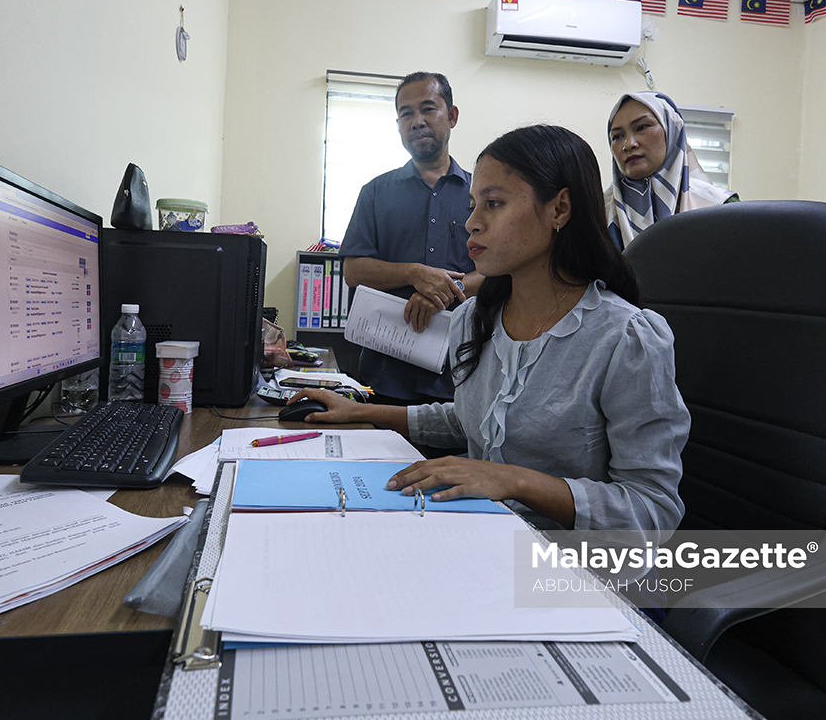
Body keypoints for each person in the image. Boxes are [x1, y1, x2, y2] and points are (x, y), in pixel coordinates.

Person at [293, 124, 690, 541]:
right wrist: (360, 410)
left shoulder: (626, 339)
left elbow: (652, 509)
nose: (471, 223)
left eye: (493, 203)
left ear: (559, 209)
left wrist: (512, 481)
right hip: (483, 541)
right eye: (473, 204)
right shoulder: (474, 319)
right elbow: (472, 418)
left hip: (572, 572)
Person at [339, 71, 483, 405]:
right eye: (406, 113)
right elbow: (353, 271)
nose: (416, 121)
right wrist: (412, 273)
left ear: (452, 115)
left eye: (428, 109)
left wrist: (447, 292)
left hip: (462, 374)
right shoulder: (375, 192)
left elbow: (503, 271)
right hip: (387, 375)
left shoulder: (482, 195)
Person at [605, 90, 738, 251]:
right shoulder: (597, 212)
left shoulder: (720, 207)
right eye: (617, 137)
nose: (629, 144)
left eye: (641, 127)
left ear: (672, 131)